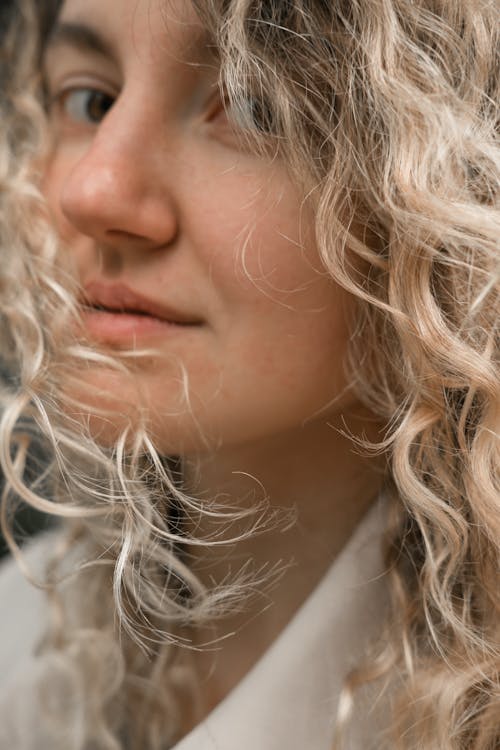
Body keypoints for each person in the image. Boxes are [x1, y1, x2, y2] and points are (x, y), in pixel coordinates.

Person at [0, 0, 498, 748]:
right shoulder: (24, 642)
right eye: (91, 100)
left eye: (259, 105)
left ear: (458, 195)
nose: (93, 191)